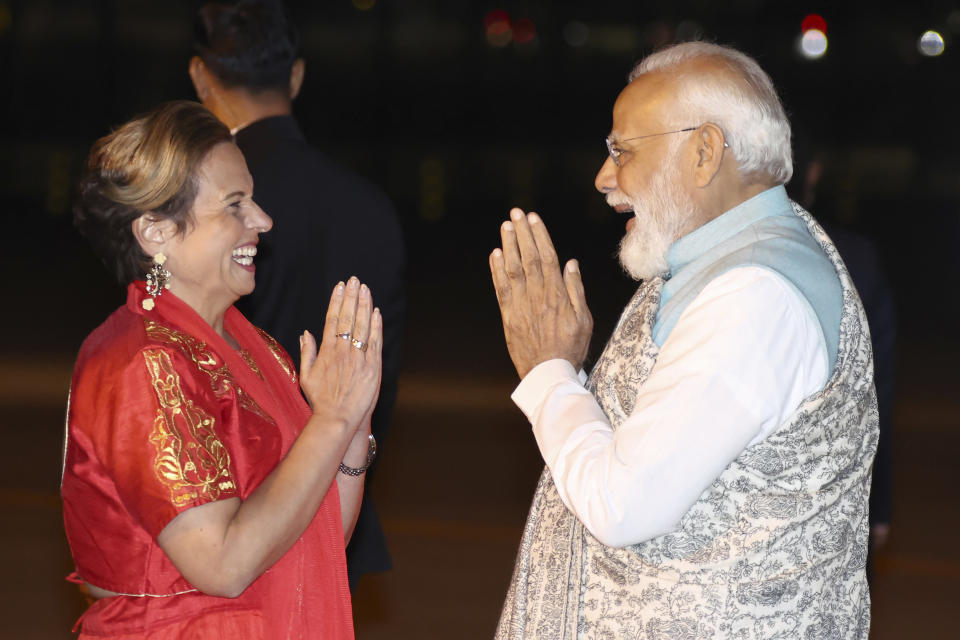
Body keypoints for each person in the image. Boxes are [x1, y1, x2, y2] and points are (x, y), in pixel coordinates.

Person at [489, 42, 878, 639]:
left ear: (704, 152)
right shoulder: (720, 261)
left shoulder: (754, 296)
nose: (603, 177)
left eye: (622, 151)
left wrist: (549, 373)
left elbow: (624, 504)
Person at [62, 100, 382, 638]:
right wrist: (329, 420)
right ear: (155, 232)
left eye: (252, 199)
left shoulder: (248, 344)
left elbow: (316, 531)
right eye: (235, 204)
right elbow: (225, 565)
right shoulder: (143, 362)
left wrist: (352, 427)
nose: (262, 220)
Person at [188, 0, 405, 587]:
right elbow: (376, 380)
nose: (255, 219)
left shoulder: (193, 208)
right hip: (338, 498)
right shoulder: (370, 206)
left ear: (201, 76)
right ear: (297, 75)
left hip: (221, 513)